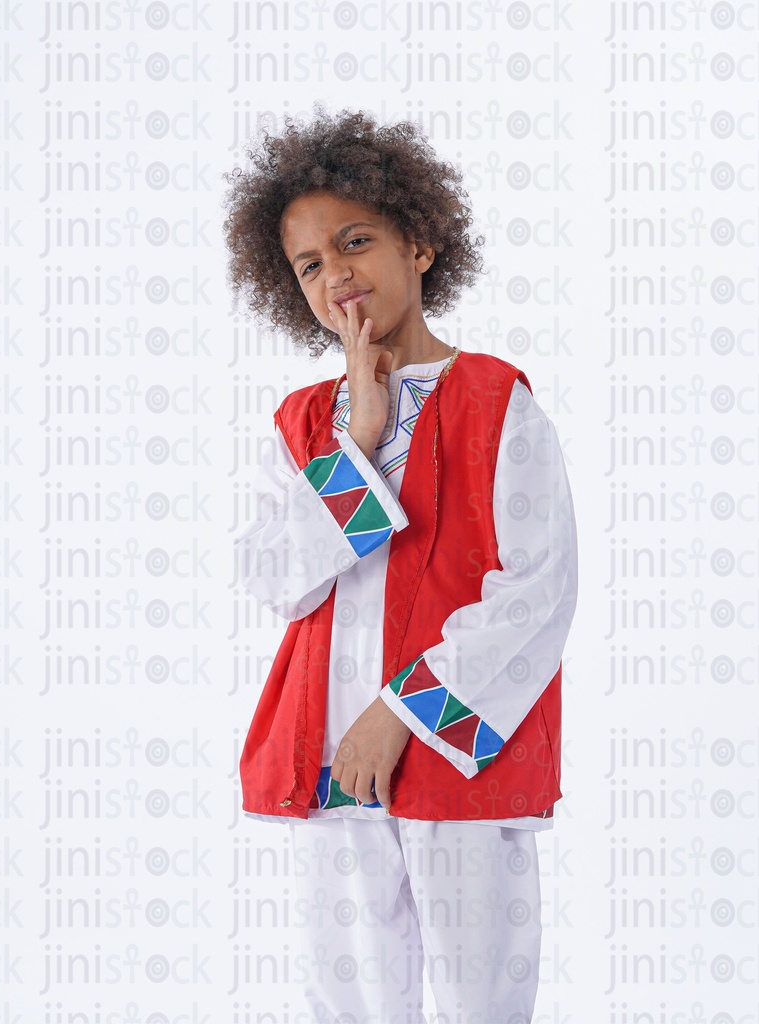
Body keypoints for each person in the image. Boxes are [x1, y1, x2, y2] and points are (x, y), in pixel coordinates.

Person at [221, 103, 578, 1024]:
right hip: (334, 762)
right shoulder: (304, 426)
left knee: (478, 995)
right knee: (351, 1001)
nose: (337, 274)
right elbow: (269, 574)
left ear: (417, 243)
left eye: (356, 242)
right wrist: (361, 441)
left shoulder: (500, 403)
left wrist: (399, 712)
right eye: (310, 263)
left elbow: (536, 591)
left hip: (455, 754)